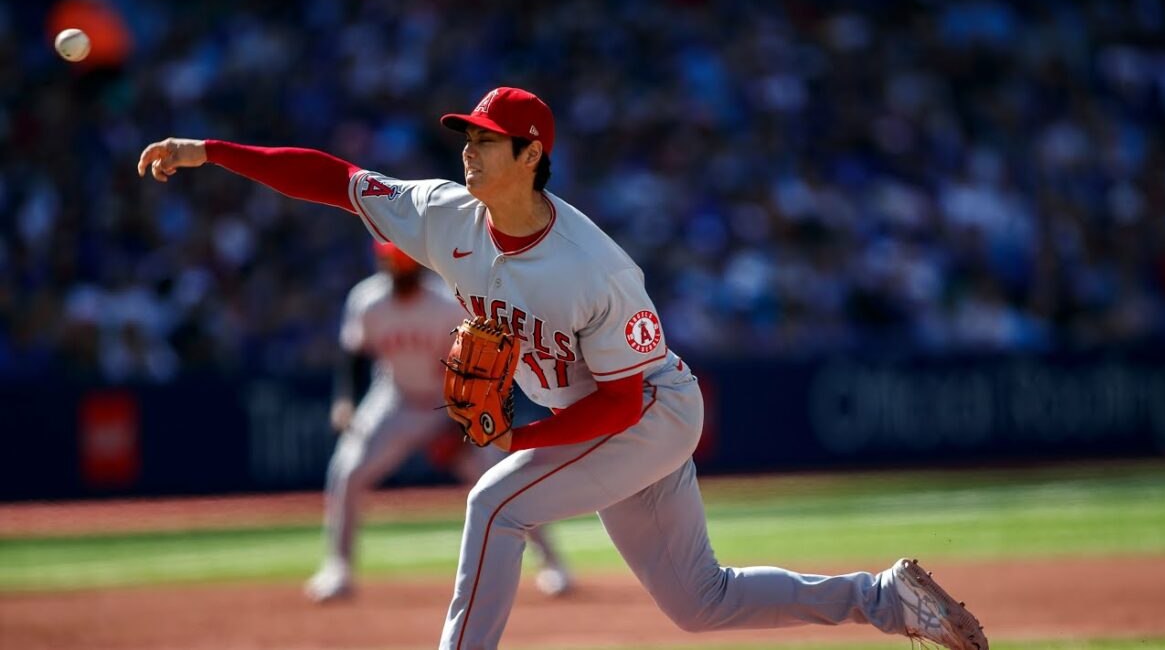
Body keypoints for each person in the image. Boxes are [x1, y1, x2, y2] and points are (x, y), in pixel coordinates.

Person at [138, 86, 988, 650]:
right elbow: (334, 179)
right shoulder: (442, 214)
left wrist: (522, 433)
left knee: (494, 499)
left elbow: (620, 402)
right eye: (464, 136)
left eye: (485, 140)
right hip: (601, 423)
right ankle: (887, 599)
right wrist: (209, 150)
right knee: (703, 603)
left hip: (648, 410)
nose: (467, 149)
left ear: (532, 153)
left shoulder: (594, 267)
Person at [306, 238, 572, 602]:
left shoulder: (446, 304)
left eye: (405, 266)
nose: (399, 272)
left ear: (417, 265)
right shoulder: (368, 301)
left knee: (503, 479)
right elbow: (354, 354)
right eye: (392, 265)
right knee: (347, 471)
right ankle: (338, 568)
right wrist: (345, 401)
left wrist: (458, 422)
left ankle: (553, 564)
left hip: (450, 405)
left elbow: (478, 368)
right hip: (394, 400)